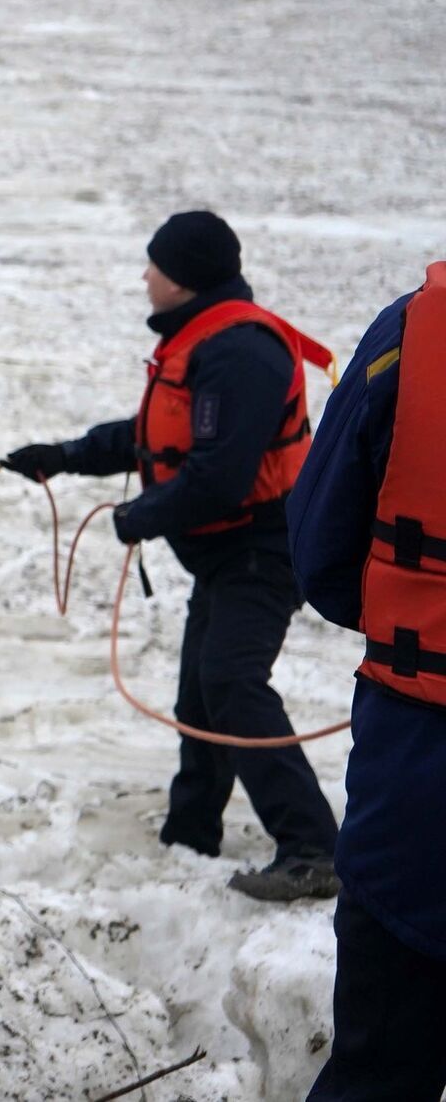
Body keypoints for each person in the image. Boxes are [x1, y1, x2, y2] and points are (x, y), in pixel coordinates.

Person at [1, 209, 341, 901]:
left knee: (232, 682)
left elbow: (221, 475)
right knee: (201, 692)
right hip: (225, 553)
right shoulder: (204, 341)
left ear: (183, 277)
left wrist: (140, 517)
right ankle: (190, 838)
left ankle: (313, 846)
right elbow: (153, 435)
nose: (145, 275)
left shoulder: (239, 352)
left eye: (154, 264)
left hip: (262, 547)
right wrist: (62, 457)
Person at [291, 261, 446, 1101]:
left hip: (423, 776)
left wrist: (414, 621)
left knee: (382, 1070)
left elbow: (321, 547)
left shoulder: (414, 334)